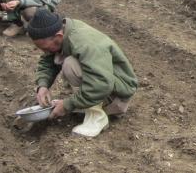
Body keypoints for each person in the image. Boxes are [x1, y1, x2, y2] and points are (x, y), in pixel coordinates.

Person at [27, 10, 138, 138]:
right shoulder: (63, 32)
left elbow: (101, 84)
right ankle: (88, 104)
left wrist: (68, 104)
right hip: (105, 84)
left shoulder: (84, 43)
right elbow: (48, 59)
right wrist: (43, 86)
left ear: (58, 37)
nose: (44, 51)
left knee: (70, 64)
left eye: (45, 48)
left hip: (118, 96)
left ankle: (97, 118)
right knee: (65, 61)